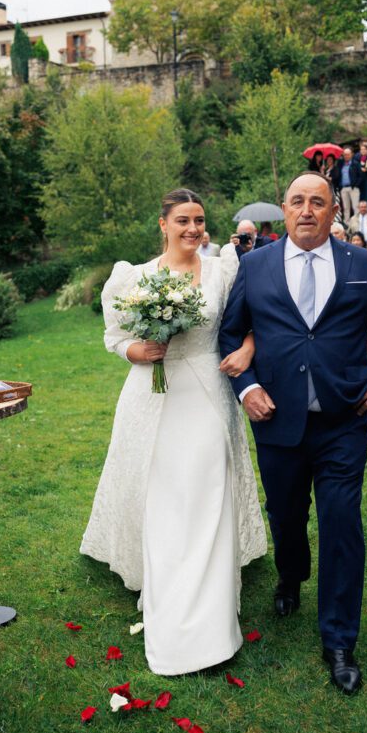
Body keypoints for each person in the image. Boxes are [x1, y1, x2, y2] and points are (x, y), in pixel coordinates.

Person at [219, 173, 367, 694]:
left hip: (343, 419)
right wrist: (247, 387)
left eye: (318, 202)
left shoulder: (361, 264)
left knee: (341, 522)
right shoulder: (255, 264)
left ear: (334, 212)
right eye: (297, 202)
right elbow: (229, 331)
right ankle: (290, 576)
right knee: (285, 516)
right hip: (276, 417)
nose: (307, 210)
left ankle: (338, 639)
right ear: (284, 211)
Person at [80, 188, 267, 675]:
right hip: (151, 396)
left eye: (199, 220)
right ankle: (166, 587)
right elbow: (113, 335)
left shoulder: (224, 269)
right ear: (162, 224)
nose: (193, 229)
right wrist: (133, 352)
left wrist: (247, 348)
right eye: (183, 220)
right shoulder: (135, 277)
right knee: (163, 495)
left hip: (206, 391)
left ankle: (210, 607)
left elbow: (253, 317)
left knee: (206, 489)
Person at [332, 147, 361, 221]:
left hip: (353, 188)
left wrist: (356, 185)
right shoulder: (340, 164)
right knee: (345, 207)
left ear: (351, 154)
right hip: (343, 188)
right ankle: (346, 223)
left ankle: (356, 223)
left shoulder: (356, 164)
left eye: (348, 154)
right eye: (345, 154)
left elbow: (361, 176)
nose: (346, 156)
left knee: (355, 207)